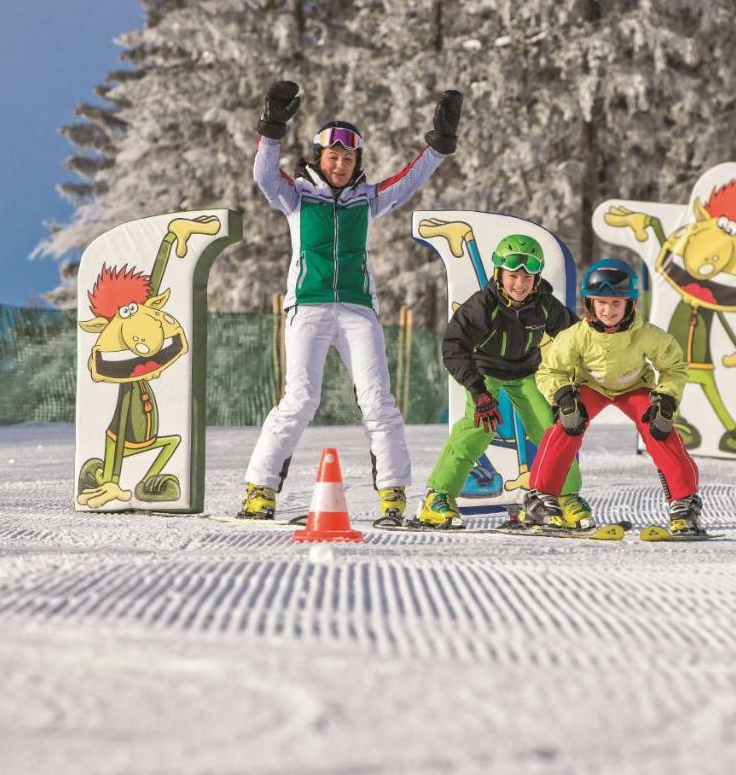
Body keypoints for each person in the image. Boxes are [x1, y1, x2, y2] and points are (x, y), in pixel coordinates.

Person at [240, 80, 463, 520]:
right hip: (308, 306)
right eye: (333, 157)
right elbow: (264, 176)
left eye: (348, 158)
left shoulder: (368, 199)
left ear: (355, 162)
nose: (340, 164)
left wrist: (439, 144)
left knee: (378, 401)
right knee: (300, 399)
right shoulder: (297, 197)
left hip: (359, 310)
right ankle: (259, 490)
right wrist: (271, 130)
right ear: (318, 158)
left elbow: (409, 180)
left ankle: (393, 494)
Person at [408, 234, 583, 528]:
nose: (520, 284)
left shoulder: (544, 304)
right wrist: (478, 392)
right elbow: (453, 347)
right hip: (485, 371)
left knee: (552, 429)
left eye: (528, 277)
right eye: (513, 275)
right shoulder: (482, 305)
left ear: (537, 279)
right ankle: (437, 498)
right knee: (478, 429)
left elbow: (576, 336)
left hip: (525, 372)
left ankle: (565, 498)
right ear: (498, 274)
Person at [524, 258, 705, 535]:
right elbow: (550, 370)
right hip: (591, 387)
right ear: (590, 304)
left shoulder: (646, 334)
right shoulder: (576, 336)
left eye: (616, 303)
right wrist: (563, 397)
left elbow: (673, 367)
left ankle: (685, 502)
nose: (608, 311)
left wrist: (666, 400)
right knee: (567, 425)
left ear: (630, 304)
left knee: (659, 429)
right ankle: (540, 498)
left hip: (633, 386)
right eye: (602, 303)